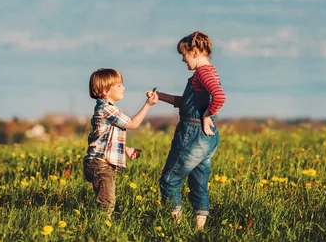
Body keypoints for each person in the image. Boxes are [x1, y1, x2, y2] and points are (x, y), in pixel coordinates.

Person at [154, 31, 226, 231]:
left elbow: (219, 97)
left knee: (169, 181)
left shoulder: (202, 72)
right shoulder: (210, 71)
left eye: (183, 54)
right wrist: (160, 96)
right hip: (207, 136)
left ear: (194, 51)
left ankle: (176, 230)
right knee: (198, 183)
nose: (182, 59)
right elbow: (186, 103)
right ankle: (198, 231)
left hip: (193, 134)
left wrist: (206, 116)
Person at [83, 68, 158, 217]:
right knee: (106, 203)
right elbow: (133, 124)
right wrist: (148, 105)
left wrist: (126, 149)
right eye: (118, 85)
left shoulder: (105, 108)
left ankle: (100, 225)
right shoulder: (107, 109)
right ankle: (101, 230)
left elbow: (106, 138)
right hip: (101, 164)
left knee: (105, 200)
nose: (123, 88)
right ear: (105, 90)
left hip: (98, 162)